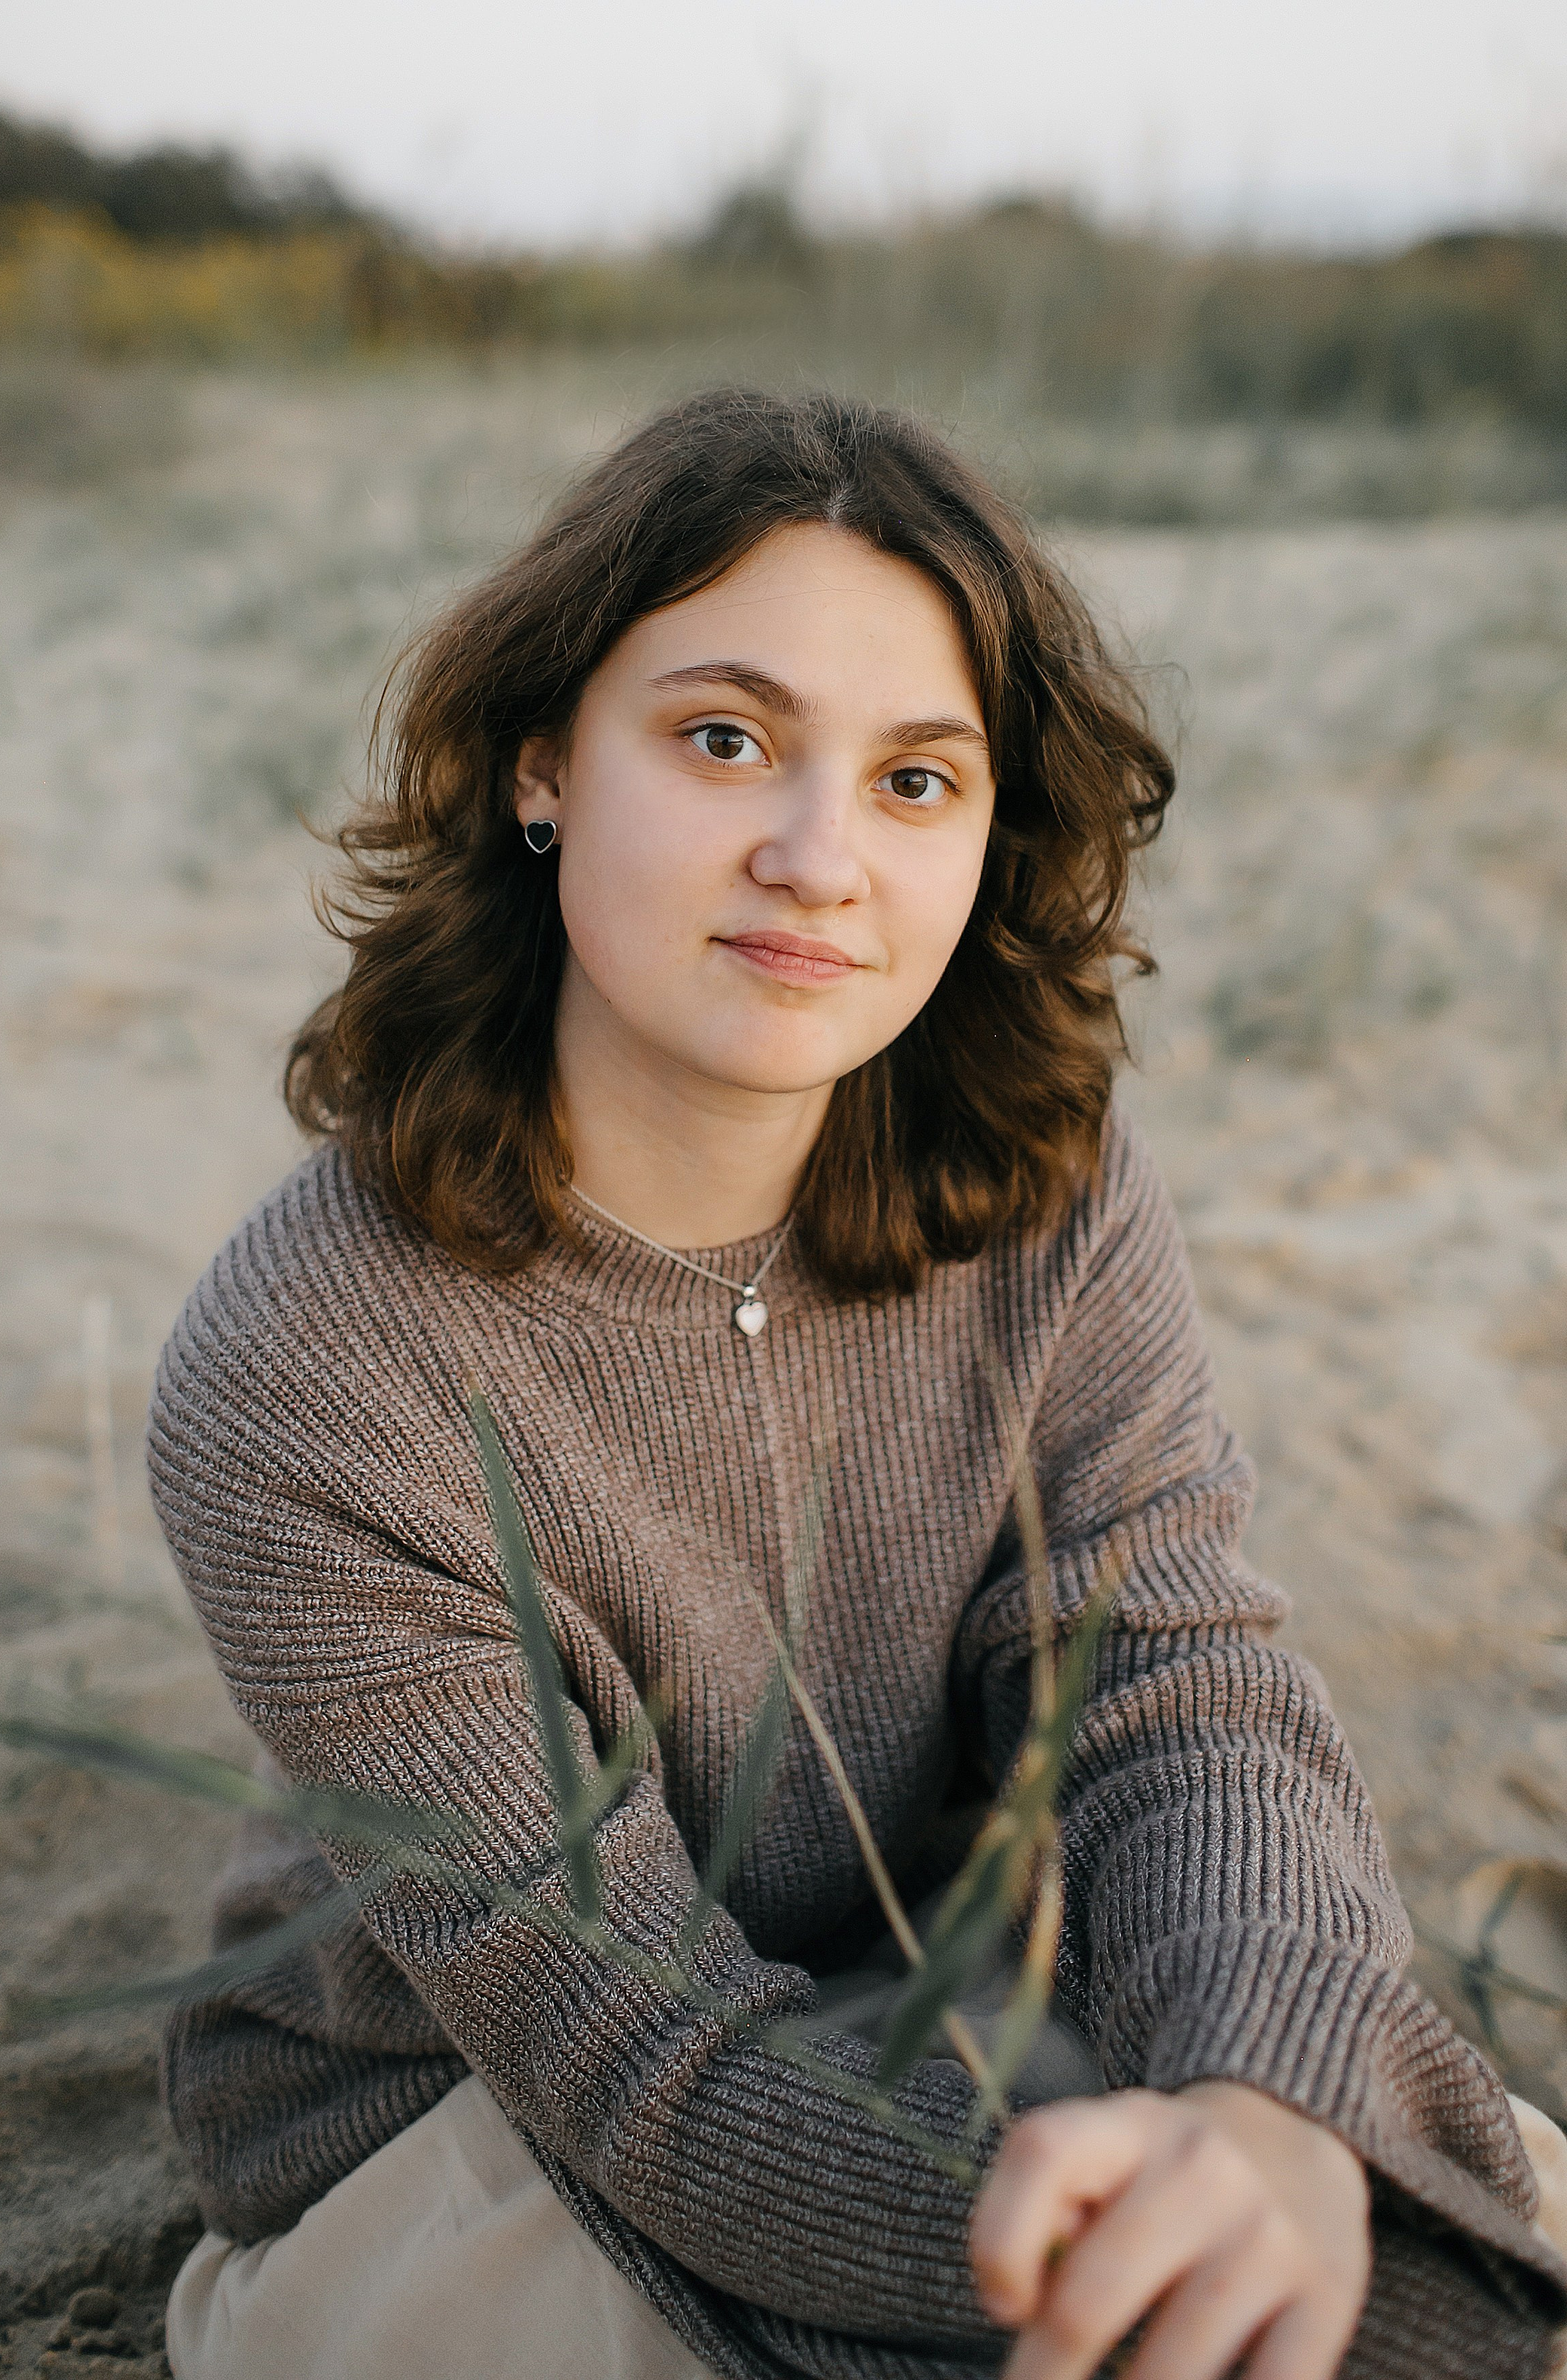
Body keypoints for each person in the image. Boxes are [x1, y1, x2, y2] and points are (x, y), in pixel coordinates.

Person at [148, 390, 1566, 2380]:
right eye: (722, 739)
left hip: (956, 1971)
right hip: (489, 2129)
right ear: (544, 761)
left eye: (918, 779)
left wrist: (1274, 2113)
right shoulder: (311, 1360)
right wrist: (1103, 2251)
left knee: (1457, 2211)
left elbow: (1171, 1688)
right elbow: (640, 2044)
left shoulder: (1046, 1183)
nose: (820, 858)